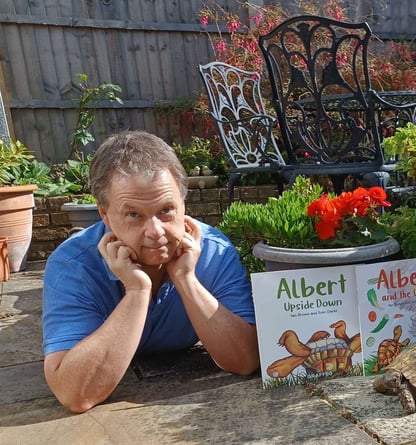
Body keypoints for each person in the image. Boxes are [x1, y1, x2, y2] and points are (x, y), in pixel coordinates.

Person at [42, 131, 259, 413]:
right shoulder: (72, 266)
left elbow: (246, 360)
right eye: (133, 215)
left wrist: (186, 279)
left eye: (167, 210)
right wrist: (137, 291)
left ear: (184, 204)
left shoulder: (215, 252)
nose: (156, 232)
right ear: (105, 215)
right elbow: (75, 394)